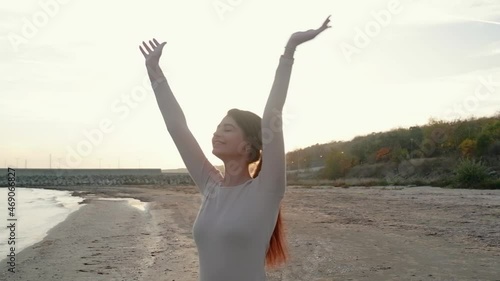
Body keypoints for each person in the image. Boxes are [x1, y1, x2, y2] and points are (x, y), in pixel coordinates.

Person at [139, 15, 331, 281]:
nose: (217, 133)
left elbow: (272, 115)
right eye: (217, 127)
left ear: (248, 145)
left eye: (227, 129)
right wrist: (155, 74)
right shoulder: (210, 187)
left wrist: (289, 51)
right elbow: (178, 128)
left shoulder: (267, 190)